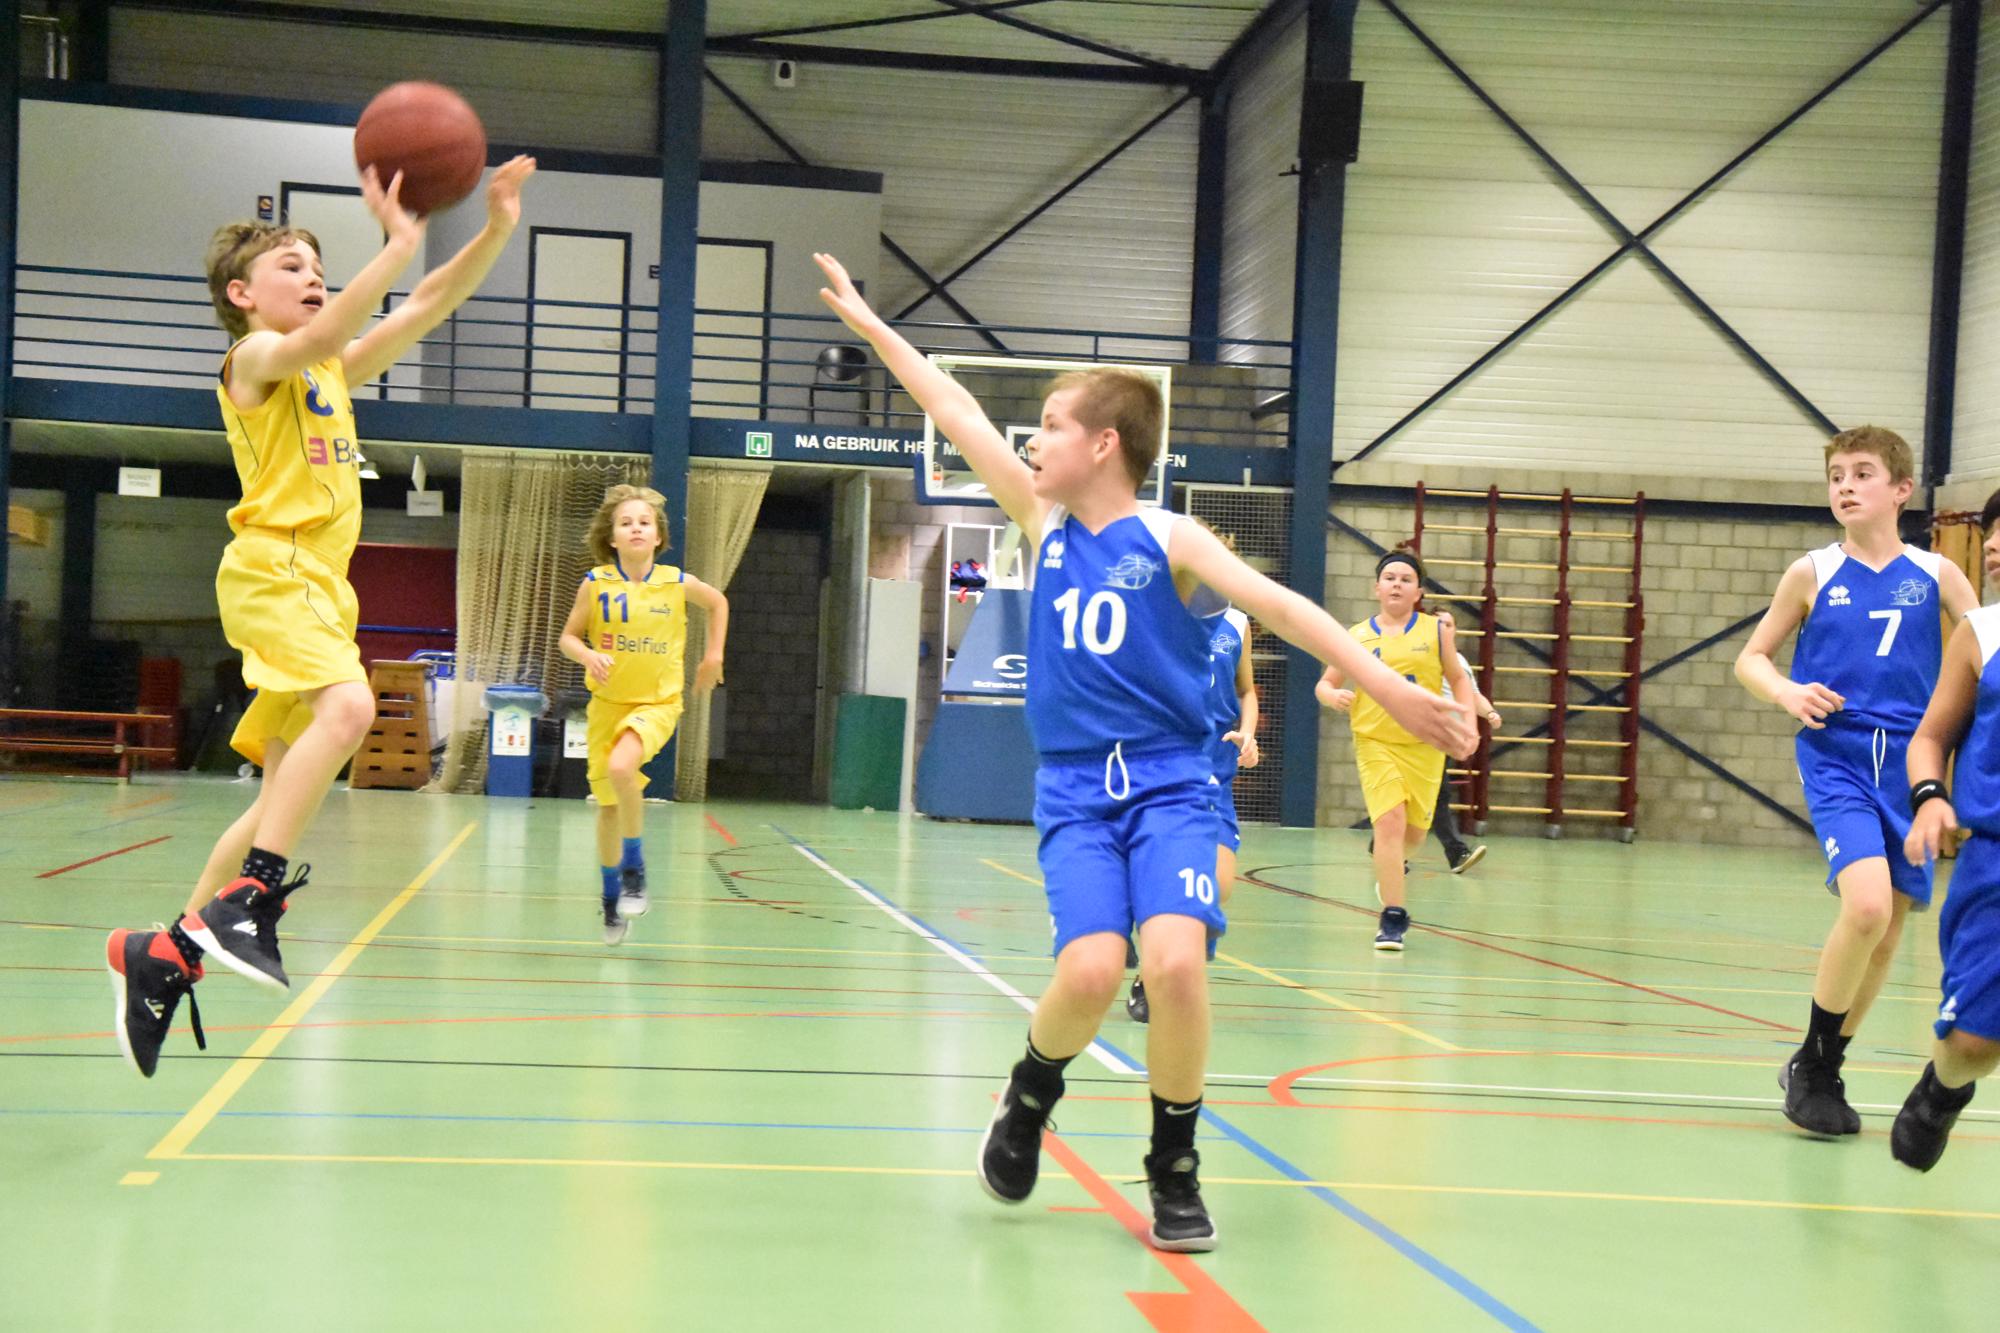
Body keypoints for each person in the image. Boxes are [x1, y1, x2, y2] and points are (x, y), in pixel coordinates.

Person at [814, 251, 1472, 1253]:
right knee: (1088, 972)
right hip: (1077, 790)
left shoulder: (1171, 539)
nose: (1032, 439)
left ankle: (1174, 1162)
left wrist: (1389, 686)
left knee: (1173, 964)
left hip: (1173, 783)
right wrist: (873, 328)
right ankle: (1030, 1092)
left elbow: (1282, 608)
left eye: (1051, 424)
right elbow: (953, 408)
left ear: (1103, 443)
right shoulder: (1042, 523)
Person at [105, 157, 538, 1078]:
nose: (313, 278)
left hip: (320, 587)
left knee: (279, 797)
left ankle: (166, 953)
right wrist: (398, 243)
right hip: (275, 571)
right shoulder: (252, 361)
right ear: (241, 294)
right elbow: (335, 324)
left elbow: (426, 305)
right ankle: (249, 898)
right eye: (292, 267)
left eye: (318, 267)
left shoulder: (329, 369)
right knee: (351, 710)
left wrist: (495, 226)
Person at [1735, 425, 1978, 1135]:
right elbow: (1751, 657)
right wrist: (1786, 691)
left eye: (1862, 473)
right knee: (1866, 906)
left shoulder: (1937, 574)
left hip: (1911, 760)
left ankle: (1823, 1064)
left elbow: (1985, 650)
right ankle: (1813, 1065)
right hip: (1837, 753)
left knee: (1890, 926)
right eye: (1836, 475)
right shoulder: (1812, 571)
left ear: (1901, 489)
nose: (1845, 486)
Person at [556, 485, 728, 944]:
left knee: (621, 768)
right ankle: (611, 897)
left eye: (644, 522)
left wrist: (713, 655)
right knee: (608, 808)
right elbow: (567, 638)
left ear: (658, 537)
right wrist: (587, 655)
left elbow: (718, 603)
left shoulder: (676, 582)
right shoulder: (595, 584)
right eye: (626, 522)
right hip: (606, 706)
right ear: (612, 537)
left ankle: (634, 869)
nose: (636, 528)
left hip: (656, 703)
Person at [1893, 487, 2000, 1170]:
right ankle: (1945, 1085)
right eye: (1992, 533)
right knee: (1972, 1045)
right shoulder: (1981, 633)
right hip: (1994, 862)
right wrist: (1931, 797)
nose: (1994, 545)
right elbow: (1930, 739)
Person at [1317, 549, 1479, 950]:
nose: (1396, 584)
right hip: (1375, 742)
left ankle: (1389, 868)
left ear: (1418, 592)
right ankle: (1393, 917)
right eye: (1390, 578)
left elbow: (1460, 680)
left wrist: (1469, 724)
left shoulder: (1435, 631)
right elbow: (1325, 683)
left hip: (1426, 743)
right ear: (1377, 587)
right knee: (1389, 822)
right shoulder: (1357, 636)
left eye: (1406, 579)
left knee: (1415, 835)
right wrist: (1332, 695)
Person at [1128, 597, 1259, 1024]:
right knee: (1166, 882)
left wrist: (1248, 733)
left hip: (1214, 775)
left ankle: (1168, 963)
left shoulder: (1236, 622)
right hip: (1163, 769)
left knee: (1217, 885)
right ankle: (1151, 977)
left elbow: (1246, 690)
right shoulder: (1154, 613)